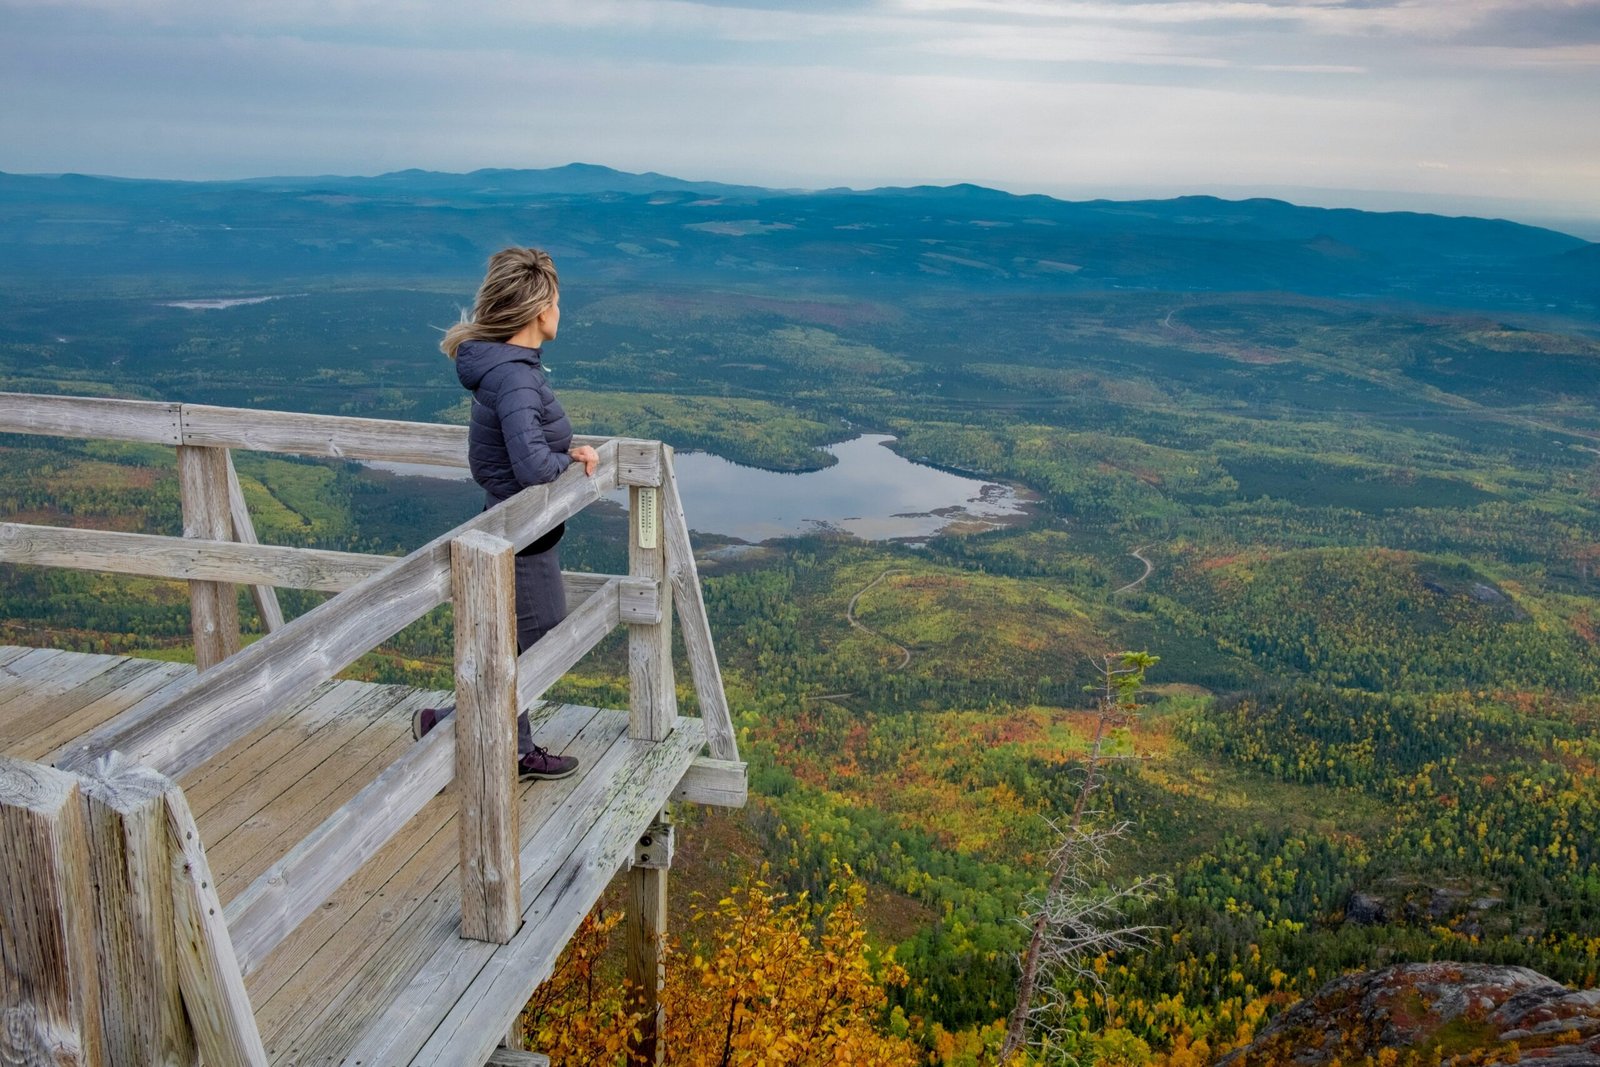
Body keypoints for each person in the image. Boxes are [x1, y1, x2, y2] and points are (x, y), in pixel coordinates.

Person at [412, 247, 598, 781]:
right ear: (540, 310)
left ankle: (467, 730)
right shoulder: (516, 377)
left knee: (510, 643)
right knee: (542, 644)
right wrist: (572, 457)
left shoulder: (512, 370)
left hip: (516, 528)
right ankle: (483, 738)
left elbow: (524, 446)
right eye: (557, 301)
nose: (561, 312)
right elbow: (535, 465)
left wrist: (564, 452)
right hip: (521, 534)